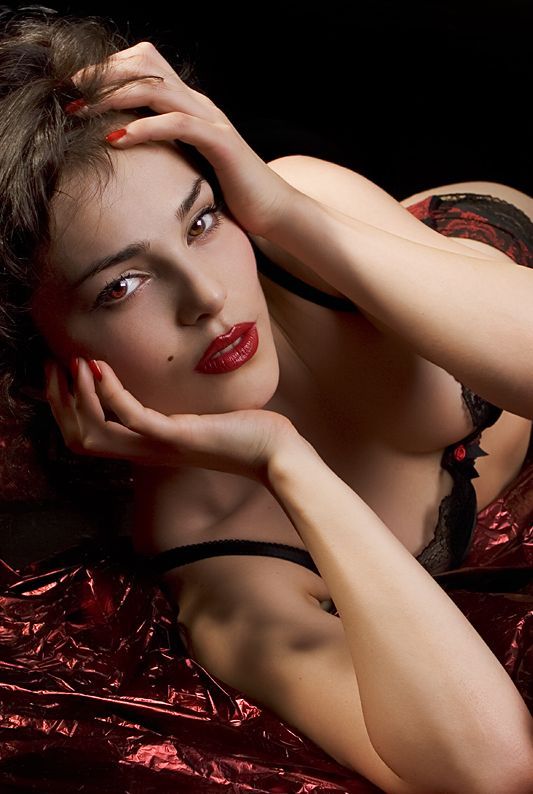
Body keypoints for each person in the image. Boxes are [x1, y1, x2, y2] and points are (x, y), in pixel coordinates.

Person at [0, 7, 532, 793]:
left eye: (201, 220)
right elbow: (490, 770)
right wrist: (283, 458)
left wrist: (284, 211)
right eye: (123, 285)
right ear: (49, 360)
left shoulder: (293, 225)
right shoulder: (213, 556)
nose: (208, 297)